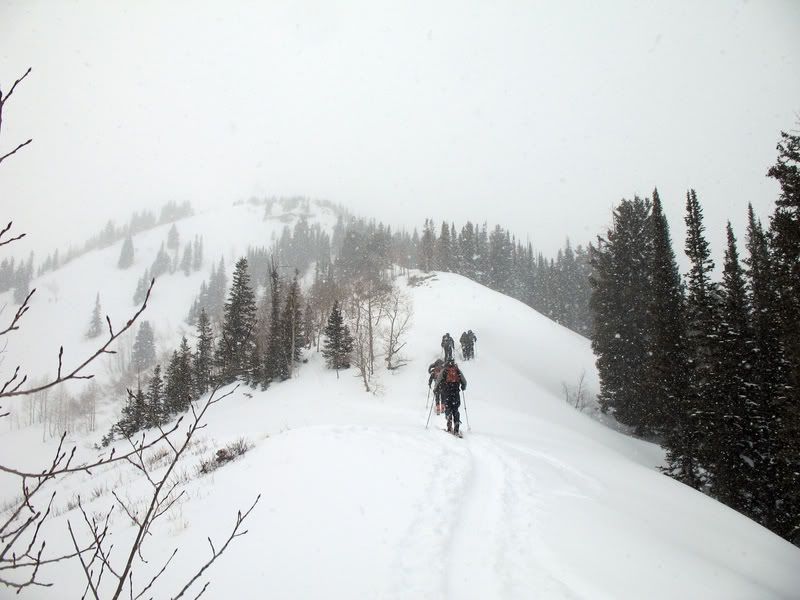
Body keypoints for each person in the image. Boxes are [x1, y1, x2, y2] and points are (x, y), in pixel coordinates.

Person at [436, 359, 467, 436]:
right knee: (455, 409)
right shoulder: (457, 370)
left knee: (448, 407)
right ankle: (456, 423)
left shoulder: (444, 370)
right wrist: (463, 387)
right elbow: (464, 381)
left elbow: (438, 380)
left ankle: (449, 420)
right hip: (456, 392)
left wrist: (435, 388)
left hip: (447, 392)